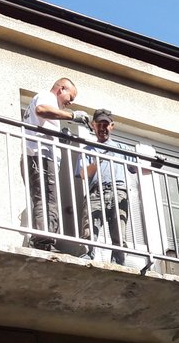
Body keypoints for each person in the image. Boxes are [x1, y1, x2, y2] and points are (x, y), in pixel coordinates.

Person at [23, 78, 90, 251]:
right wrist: (73, 116)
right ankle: (43, 242)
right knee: (47, 199)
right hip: (41, 156)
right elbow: (42, 110)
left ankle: (43, 240)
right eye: (71, 97)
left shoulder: (48, 100)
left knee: (46, 198)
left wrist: (60, 139)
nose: (71, 102)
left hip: (39, 155)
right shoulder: (47, 97)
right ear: (61, 89)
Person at [77, 109, 137, 264]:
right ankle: (87, 256)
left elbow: (136, 168)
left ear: (112, 126)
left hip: (118, 191)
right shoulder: (87, 149)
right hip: (96, 192)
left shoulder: (121, 147)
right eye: (99, 124)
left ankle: (118, 262)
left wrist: (154, 165)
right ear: (93, 125)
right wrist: (98, 162)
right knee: (90, 229)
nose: (102, 128)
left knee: (119, 231)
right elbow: (83, 174)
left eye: (106, 124)